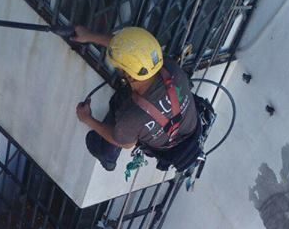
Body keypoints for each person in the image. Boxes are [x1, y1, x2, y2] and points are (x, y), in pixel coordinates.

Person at [74, 26, 199, 172]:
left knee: (102, 144)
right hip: (190, 127)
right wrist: (89, 35)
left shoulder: (130, 116)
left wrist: (87, 119)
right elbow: (130, 52)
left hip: (165, 144)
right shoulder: (170, 68)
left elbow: (126, 144)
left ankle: (108, 160)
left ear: (130, 76)